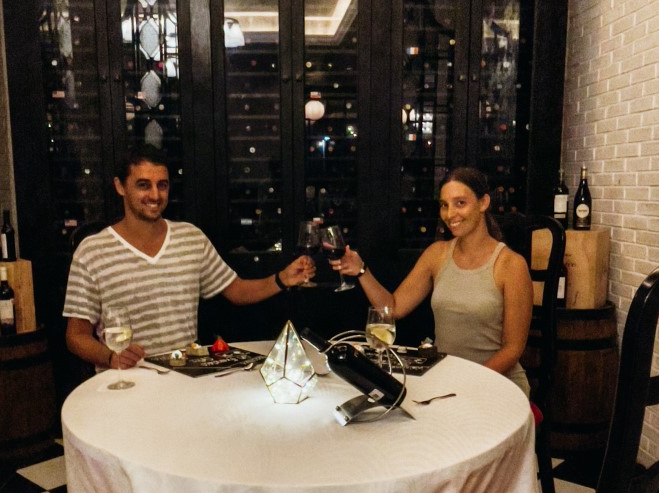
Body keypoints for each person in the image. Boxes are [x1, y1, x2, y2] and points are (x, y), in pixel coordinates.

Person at [64, 144, 315, 370]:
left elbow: (237, 291)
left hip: (184, 376)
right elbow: (76, 336)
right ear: (120, 186)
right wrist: (111, 357)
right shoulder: (92, 251)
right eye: (143, 185)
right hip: (125, 383)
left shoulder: (190, 238)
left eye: (162, 185)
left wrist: (282, 279)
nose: (155, 195)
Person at [333, 167, 533, 395]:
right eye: (444, 205)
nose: (450, 214)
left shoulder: (511, 265)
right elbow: (393, 309)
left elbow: (513, 349)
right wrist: (361, 270)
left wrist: (469, 386)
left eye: (460, 203)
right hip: (447, 380)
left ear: (484, 203)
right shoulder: (436, 254)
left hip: (497, 384)